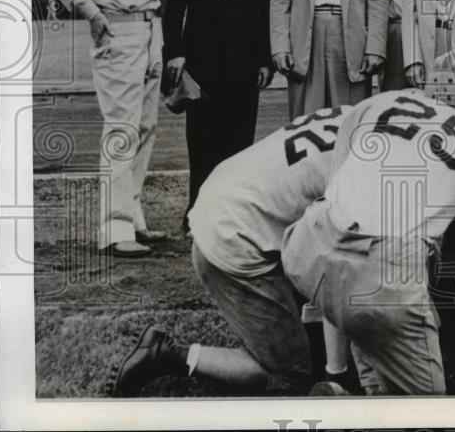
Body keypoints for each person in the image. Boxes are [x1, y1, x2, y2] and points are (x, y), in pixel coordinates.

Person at [281, 54, 455, 395]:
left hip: (306, 244)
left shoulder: (380, 102)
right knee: (428, 412)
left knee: (354, 289)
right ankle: (345, 402)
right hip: (382, 274)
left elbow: (338, 199)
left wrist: (335, 366)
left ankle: (343, 386)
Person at [109, 106, 352, 397]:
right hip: (234, 235)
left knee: (317, 325)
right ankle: (166, 354)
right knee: (291, 375)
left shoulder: (356, 114)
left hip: (226, 198)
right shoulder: (366, 167)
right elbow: (336, 266)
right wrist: (337, 373)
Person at [47, 0, 170, 258]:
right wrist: (91, 12)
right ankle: (114, 230)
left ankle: (133, 219)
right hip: (117, 29)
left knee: (146, 126)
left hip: (150, 28)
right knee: (121, 127)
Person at [161, 0, 273, 232]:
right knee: (202, 143)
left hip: (243, 68)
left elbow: (268, 12)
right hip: (201, 65)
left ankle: (232, 218)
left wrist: (265, 60)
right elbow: (173, 3)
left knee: (239, 146)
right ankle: (198, 216)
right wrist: (174, 52)